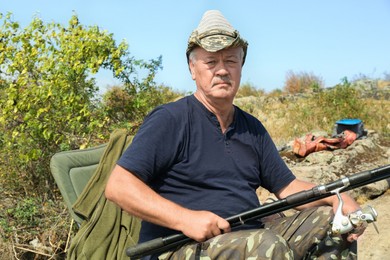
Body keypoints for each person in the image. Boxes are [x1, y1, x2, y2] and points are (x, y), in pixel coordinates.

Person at [105, 10, 365, 259]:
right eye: (211, 62)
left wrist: (337, 198)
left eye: (230, 60)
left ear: (241, 66)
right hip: (179, 247)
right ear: (192, 69)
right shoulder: (170, 119)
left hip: (251, 237)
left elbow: (288, 188)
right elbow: (119, 186)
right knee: (267, 245)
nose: (222, 70)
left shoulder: (251, 127)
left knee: (333, 222)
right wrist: (185, 219)